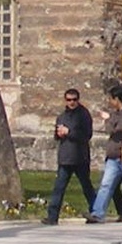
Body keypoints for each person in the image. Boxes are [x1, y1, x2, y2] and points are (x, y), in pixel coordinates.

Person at [43, 86, 95, 225]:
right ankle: (52, 216)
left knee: (86, 186)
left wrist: (69, 132)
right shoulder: (62, 116)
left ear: (78, 100)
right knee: (59, 188)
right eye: (68, 100)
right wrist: (59, 133)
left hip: (80, 157)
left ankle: (95, 212)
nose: (71, 102)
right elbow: (56, 135)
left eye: (74, 100)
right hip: (65, 158)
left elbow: (87, 135)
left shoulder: (84, 115)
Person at [90, 102, 122, 223]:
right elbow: (110, 129)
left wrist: (108, 119)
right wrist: (110, 119)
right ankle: (97, 213)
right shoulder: (115, 114)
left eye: (111, 99)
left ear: (117, 99)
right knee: (106, 185)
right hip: (113, 157)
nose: (109, 101)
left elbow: (117, 129)